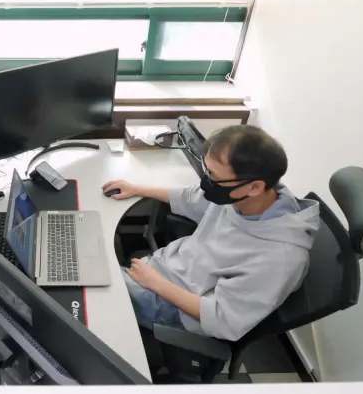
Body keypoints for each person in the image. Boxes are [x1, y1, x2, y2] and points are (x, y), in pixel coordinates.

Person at [102, 125, 320, 342]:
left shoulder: (280, 258)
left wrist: (155, 283)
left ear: (254, 187)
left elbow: (223, 319)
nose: (206, 182)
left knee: (90, 290)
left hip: (178, 308)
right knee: (93, 266)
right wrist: (136, 189)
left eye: (213, 175)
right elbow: (191, 198)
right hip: (164, 271)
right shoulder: (243, 196)